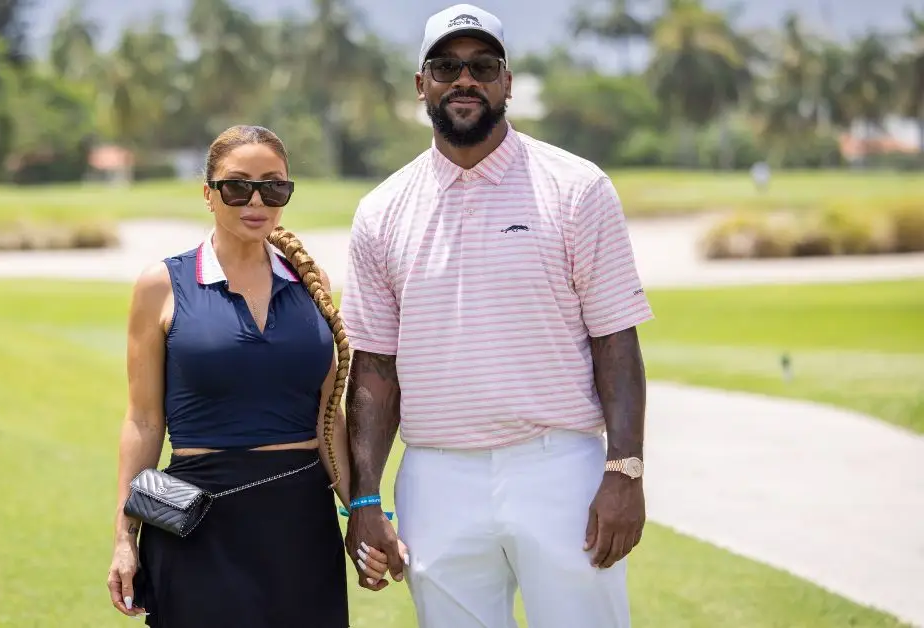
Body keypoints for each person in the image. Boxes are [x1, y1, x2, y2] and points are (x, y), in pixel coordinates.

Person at [340, 4, 654, 628]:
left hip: (559, 466)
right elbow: (374, 369)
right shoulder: (381, 212)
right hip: (436, 476)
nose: (465, 80)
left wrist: (625, 471)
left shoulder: (577, 187)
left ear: (507, 82)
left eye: (483, 66)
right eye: (446, 66)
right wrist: (365, 499)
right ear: (421, 83)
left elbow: (616, 340)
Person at [105, 124, 392, 628]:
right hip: (197, 524)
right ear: (208, 194)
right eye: (237, 186)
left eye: (274, 186)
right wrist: (124, 538)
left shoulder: (310, 283)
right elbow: (144, 422)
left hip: (301, 525)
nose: (256, 200)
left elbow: (330, 417)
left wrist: (362, 513)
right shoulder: (161, 285)